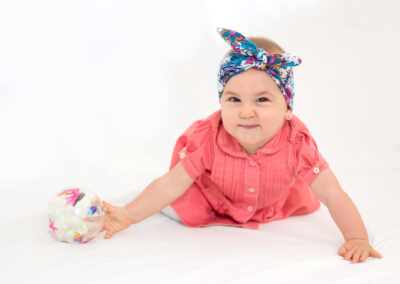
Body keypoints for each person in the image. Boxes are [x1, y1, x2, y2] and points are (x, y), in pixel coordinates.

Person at [100, 28, 383, 264]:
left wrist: (356, 237)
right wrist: (129, 215)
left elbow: (332, 194)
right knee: (174, 204)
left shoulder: (297, 143)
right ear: (221, 103)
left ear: (287, 108)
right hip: (214, 197)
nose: (246, 112)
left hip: (270, 202)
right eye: (234, 100)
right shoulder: (209, 138)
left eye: (262, 100)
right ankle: (131, 205)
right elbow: (171, 184)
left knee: (310, 203)